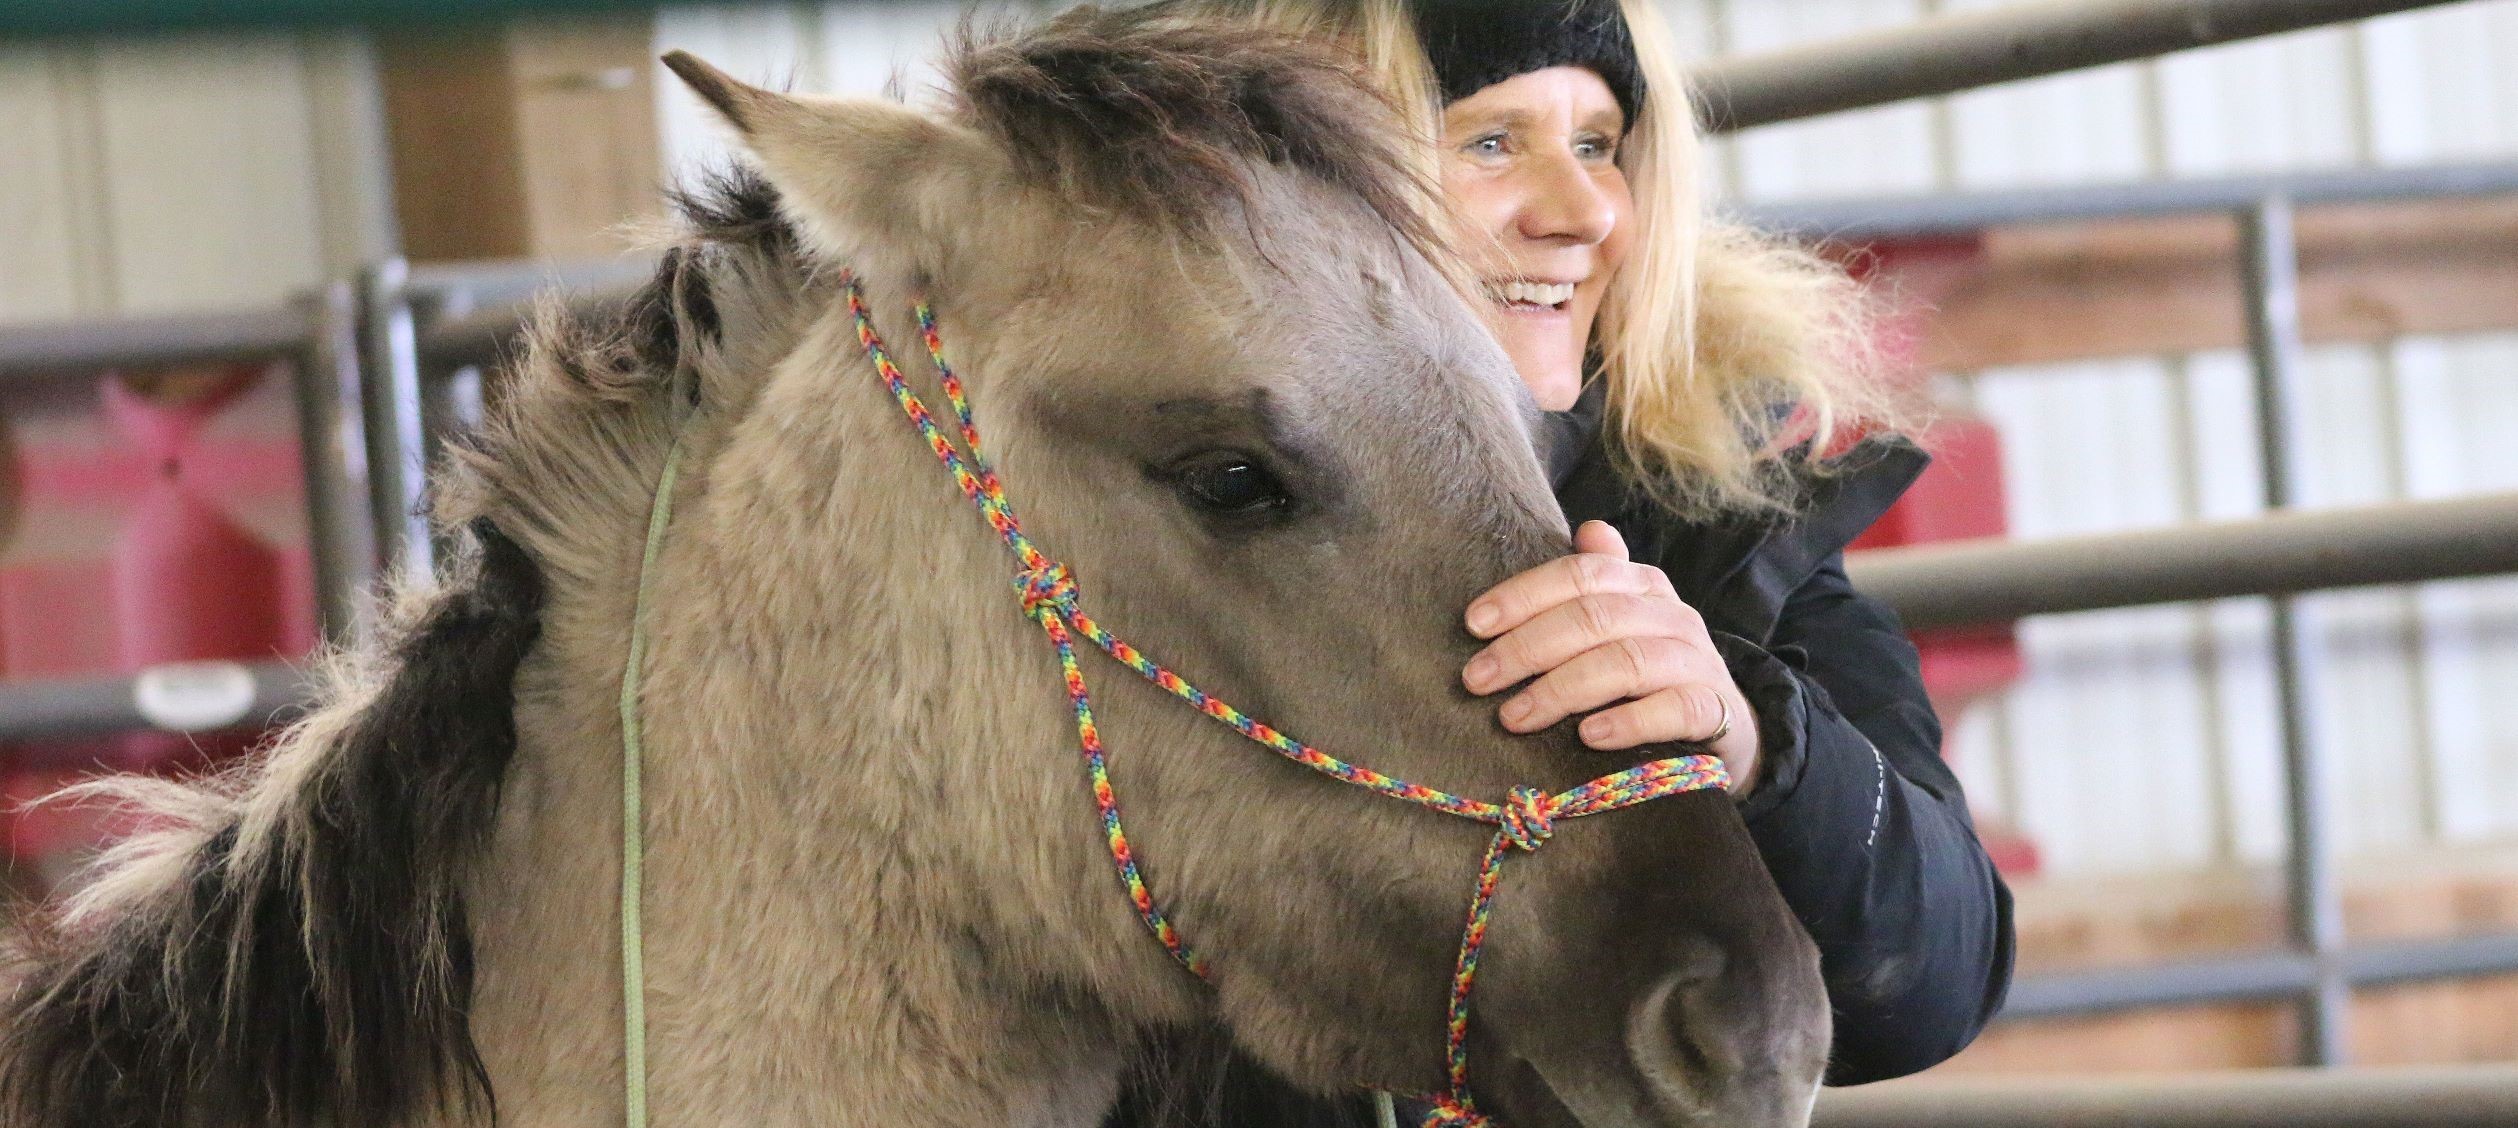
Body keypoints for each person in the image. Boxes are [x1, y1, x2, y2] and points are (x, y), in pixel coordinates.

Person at [1112, 0, 2016, 1121]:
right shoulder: (1122, 506)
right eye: (1489, 142)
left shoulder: (1711, 505)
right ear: (1292, 188)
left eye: (1597, 144)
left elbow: (1932, 987)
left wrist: (1755, 743)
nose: (1583, 210)